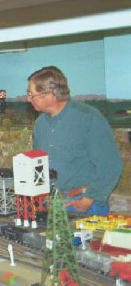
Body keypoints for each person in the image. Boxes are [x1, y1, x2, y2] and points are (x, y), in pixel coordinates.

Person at [27, 66, 122, 215]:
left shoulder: (88, 118)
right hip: (51, 204)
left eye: (32, 94)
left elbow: (110, 165)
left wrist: (89, 199)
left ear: (50, 94)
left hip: (84, 204)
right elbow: (38, 165)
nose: (28, 99)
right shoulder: (40, 124)